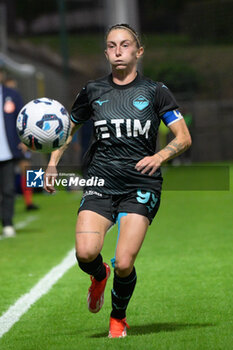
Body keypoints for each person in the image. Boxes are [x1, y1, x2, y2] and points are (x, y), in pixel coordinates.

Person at [44, 24, 192, 338]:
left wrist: (160, 156)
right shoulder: (92, 90)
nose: (118, 51)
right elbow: (67, 129)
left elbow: (183, 137)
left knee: (125, 262)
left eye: (125, 45)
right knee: (85, 253)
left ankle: (118, 317)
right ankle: (99, 276)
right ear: (106, 52)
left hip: (141, 185)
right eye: (111, 46)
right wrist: (53, 163)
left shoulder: (155, 91)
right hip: (99, 182)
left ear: (138, 52)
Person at [0, 70, 24, 237]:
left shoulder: (12, 95)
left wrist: (24, 139)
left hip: (7, 152)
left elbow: (22, 119)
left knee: (8, 190)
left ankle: (7, 223)